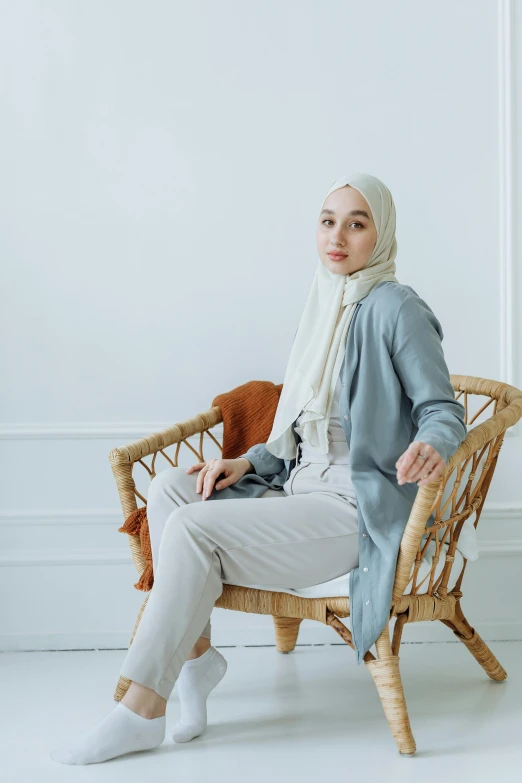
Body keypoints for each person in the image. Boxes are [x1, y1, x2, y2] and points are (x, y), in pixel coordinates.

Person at [50, 173, 465, 764]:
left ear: (383, 232)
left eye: (357, 222)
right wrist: (245, 462)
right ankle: (196, 660)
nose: (338, 237)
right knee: (173, 488)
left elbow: (443, 408)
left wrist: (434, 443)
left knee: (193, 528)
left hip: (353, 506)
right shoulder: (323, 304)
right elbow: (300, 428)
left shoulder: (398, 308)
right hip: (297, 485)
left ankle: (141, 710)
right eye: (328, 221)